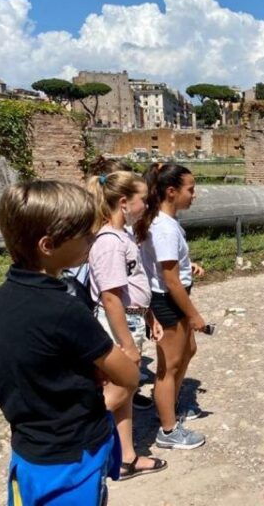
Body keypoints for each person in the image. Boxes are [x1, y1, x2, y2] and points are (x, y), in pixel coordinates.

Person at [0, 180, 139, 505]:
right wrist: (101, 400)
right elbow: (128, 375)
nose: (92, 239)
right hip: (74, 457)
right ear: (48, 244)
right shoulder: (64, 309)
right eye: (84, 234)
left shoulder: (3, 299)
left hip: (29, 452)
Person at [86, 170, 168, 480]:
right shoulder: (108, 241)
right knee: (122, 387)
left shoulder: (123, 237)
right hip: (118, 325)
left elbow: (130, 286)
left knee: (126, 389)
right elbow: (110, 297)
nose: (147, 206)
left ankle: (126, 457)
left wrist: (148, 316)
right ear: (124, 202)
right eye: (143, 200)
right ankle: (74, 438)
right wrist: (129, 344)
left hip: (132, 319)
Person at [138, 163, 207, 449]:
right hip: (167, 300)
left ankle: (170, 406)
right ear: (171, 191)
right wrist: (194, 315)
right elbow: (170, 279)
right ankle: (167, 429)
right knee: (169, 365)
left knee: (187, 350)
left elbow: (165, 266)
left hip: (172, 296)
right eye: (190, 189)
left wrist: (187, 265)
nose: (194, 194)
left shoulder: (164, 223)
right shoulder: (164, 228)